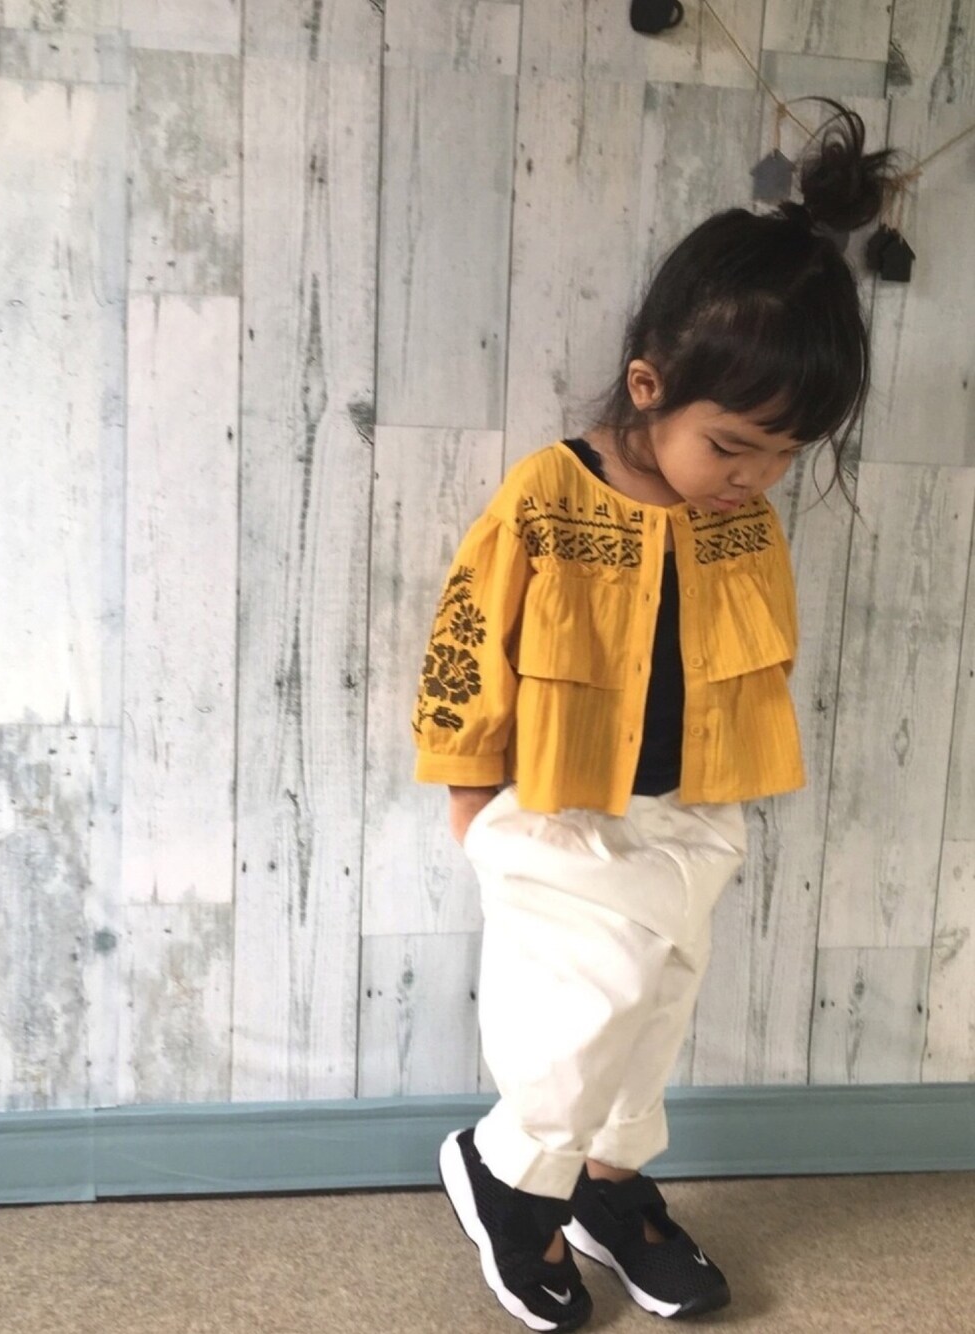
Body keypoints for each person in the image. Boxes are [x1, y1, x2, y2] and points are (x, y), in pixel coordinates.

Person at [411, 100, 900, 1331]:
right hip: (559, 805)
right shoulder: (549, 492)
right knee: (580, 1009)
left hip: (690, 808)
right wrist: (469, 792)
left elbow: (743, 659)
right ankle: (507, 1173)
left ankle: (608, 1184)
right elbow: (467, 636)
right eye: (733, 444)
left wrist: (722, 799)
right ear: (648, 385)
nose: (755, 477)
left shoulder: (740, 519)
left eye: (784, 455)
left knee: (653, 1006)